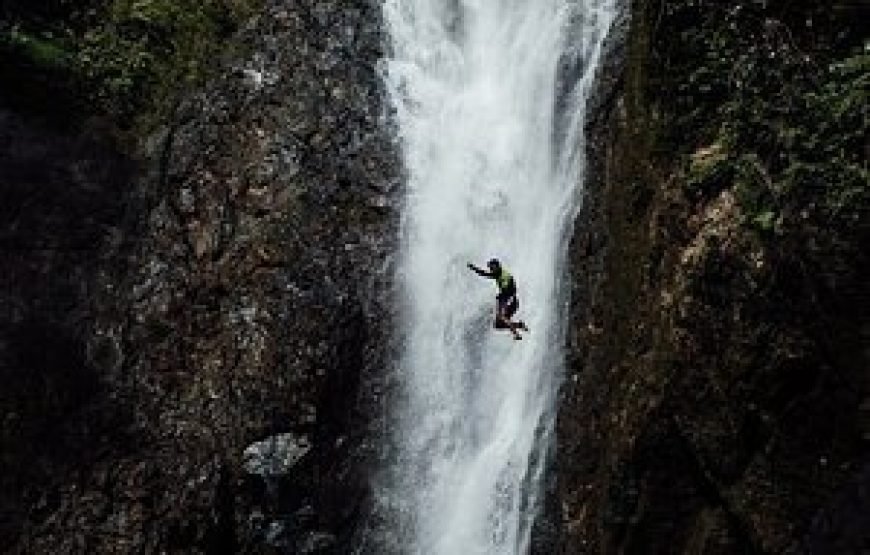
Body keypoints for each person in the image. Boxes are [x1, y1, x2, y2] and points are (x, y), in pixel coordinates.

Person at [467, 258, 529, 340]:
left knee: (502, 317)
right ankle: (519, 325)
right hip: (507, 299)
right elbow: (484, 274)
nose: (491, 270)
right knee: (498, 325)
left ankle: (516, 334)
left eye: (492, 268)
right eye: (490, 268)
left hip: (510, 300)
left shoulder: (504, 276)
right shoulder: (497, 274)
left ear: (497, 266)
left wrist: (502, 296)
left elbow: (510, 289)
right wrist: (473, 268)